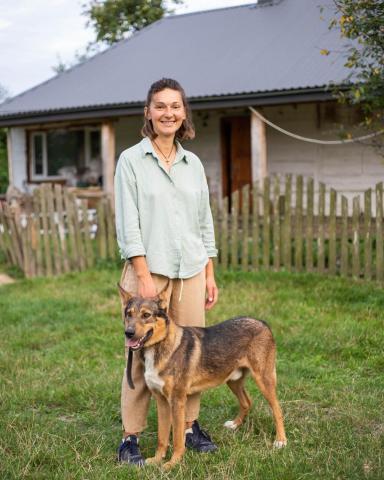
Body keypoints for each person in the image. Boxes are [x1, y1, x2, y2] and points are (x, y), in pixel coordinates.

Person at [114, 78, 219, 465]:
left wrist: (208, 271)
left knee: (189, 354)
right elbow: (128, 224)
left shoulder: (193, 165)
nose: (168, 113)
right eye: (160, 106)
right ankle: (131, 436)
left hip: (190, 269)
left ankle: (188, 427)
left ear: (184, 113)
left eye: (175, 106)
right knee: (141, 354)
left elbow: (203, 221)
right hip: (149, 271)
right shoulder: (131, 160)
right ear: (148, 112)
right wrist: (142, 276)